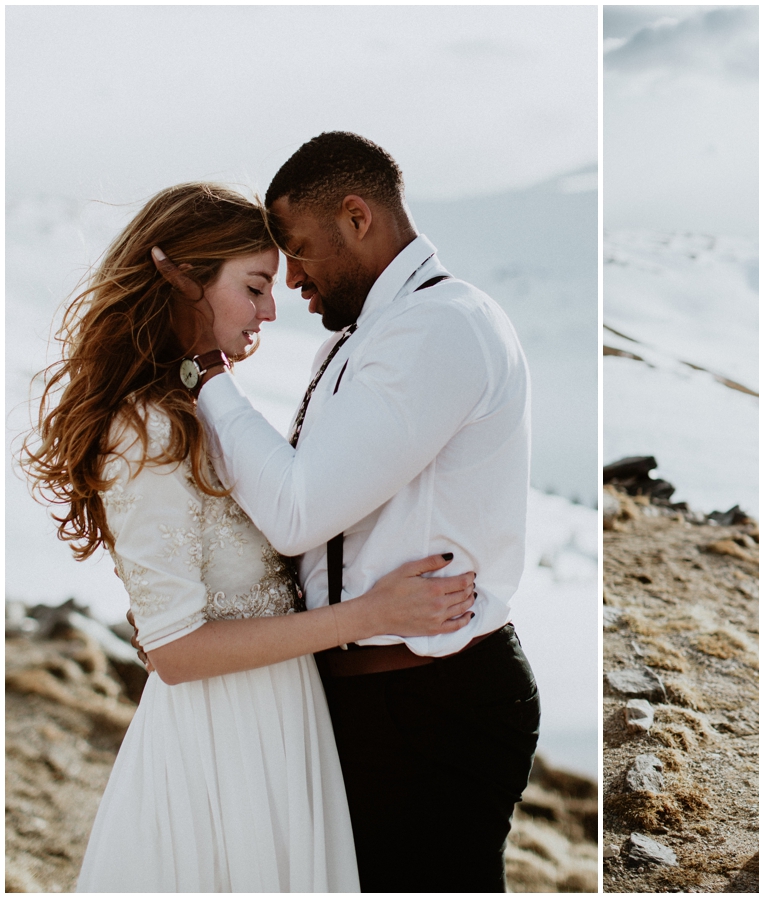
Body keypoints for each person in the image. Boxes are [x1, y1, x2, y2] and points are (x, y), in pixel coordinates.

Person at [21, 182, 478, 891]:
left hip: (283, 723)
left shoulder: (198, 405)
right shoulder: (146, 431)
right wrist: (369, 616)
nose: (272, 309)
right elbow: (172, 651)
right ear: (185, 282)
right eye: (256, 285)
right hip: (222, 743)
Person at [153, 132, 540, 892]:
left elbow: (299, 512)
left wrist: (205, 369)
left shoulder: (440, 326)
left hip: (429, 705)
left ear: (357, 217)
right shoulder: (379, 333)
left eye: (298, 250)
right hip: (374, 696)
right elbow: (303, 515)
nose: (292, 278)